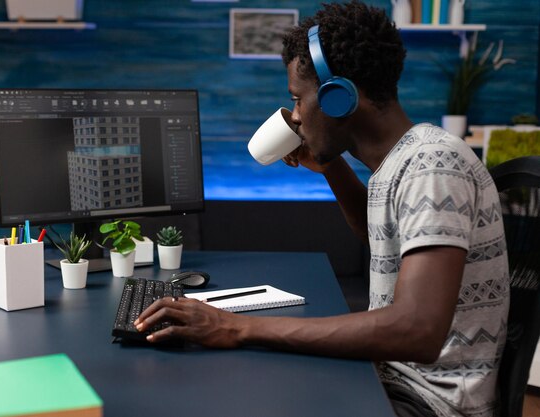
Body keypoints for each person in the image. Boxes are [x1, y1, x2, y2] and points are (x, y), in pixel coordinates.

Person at [135, 1, 509, 416]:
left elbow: (416, 330)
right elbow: (383, 239)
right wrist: (331, 168)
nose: (295, 116)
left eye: (297, 99)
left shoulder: (434, 165)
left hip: (428, 402)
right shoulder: (402, 162)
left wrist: (237, 325)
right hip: (390, 378)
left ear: (337, 98)